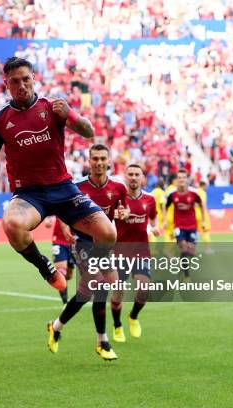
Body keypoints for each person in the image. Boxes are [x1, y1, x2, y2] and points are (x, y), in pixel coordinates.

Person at [0, 57, 116, 297]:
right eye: (14, 82)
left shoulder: (53, 107)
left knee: (108, 234)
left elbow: (89, 131)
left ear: (34, 79)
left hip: (64, 188)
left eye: (25, 79)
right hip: (29, 194)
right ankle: (46, 268)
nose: (21, 85)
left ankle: (92, 266)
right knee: (11, 225)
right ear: (6, 84)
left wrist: (71, 115)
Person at [46, 144, 127, 361]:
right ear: (89, 161)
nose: (99, 163)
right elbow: (62, 210)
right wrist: (65, 230)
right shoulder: (77, 186)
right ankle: (102, 341)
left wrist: (124, 214)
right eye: (95, 159)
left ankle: (55, 326)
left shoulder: (118, 188)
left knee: (88, 293)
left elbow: (123, 211)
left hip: (103, 246)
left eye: (103, 159)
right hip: (82, 243)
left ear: (109, 161)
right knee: (99, 287)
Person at [111, 164, 159, 343]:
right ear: (126, 176)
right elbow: (107, 216)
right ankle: (117, 325)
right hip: (120, 252)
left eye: (136, 174)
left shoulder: (150, 199)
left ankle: (133, 316)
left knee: (144, 289)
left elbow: (153, 216)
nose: (133, 177)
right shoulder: (118, 199)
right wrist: (118, 214)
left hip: (141, 251)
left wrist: (154, 227)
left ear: (142, 178)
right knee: (118, 293)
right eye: (130, 174)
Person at [164, 170, 205, 282]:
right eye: (179, 177)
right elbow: (165, 206)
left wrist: (203, 220)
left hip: (192, 225)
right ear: (176, 180)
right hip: (179, 226)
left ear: (187, 179)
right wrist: (164, 220)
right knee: (183, 248)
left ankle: (184, 259)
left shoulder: (193, 193)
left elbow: (202, 205)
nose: (181, 179)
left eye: (183, 177)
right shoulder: (172, 194)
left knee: (190, 251)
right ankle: (187, 276)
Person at [44, 216, 75, 304]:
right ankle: (65, 302)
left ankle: (63, 284)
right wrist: (47, 219)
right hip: (58, 241)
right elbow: (49, 211)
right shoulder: (61, 202)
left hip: (73, 242)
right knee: (61, 272)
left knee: (69, 276)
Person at [195, 181, 213, 254]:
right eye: (206, 186)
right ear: (203, 185)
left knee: (195, 232)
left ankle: (192, 249)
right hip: (202, 214)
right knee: (205, 231)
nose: (207, 188)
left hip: (194, 213)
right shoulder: (202, 193)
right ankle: (207, 249)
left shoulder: (195, 192)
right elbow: (202, 203)